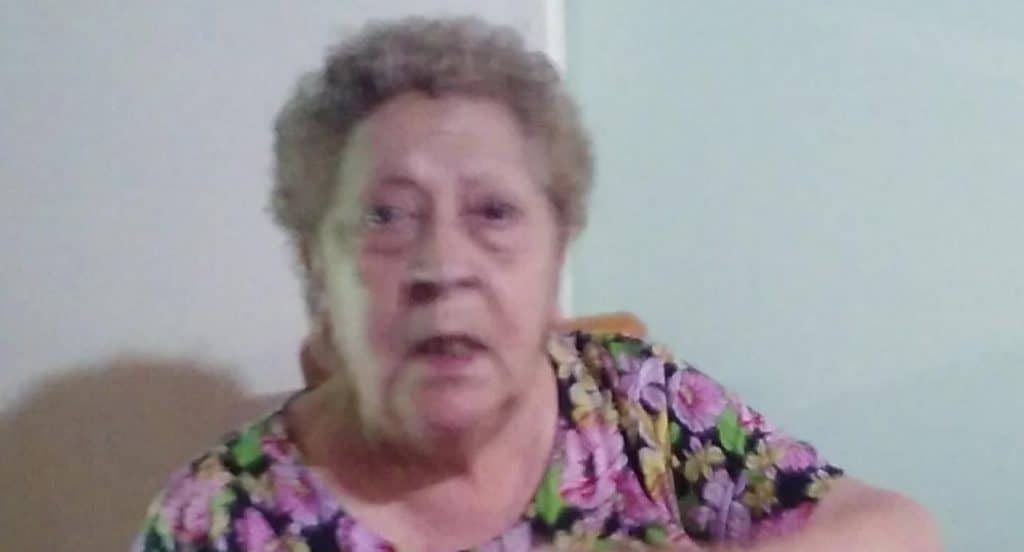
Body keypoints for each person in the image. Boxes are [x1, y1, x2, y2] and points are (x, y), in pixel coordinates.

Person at [134, 16, 940, 551]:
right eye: (385, 216)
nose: (443, 265)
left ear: (555, 258)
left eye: (493, 212)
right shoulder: (219, 519)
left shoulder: (636, 404)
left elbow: (899, 530)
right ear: (316, 267)